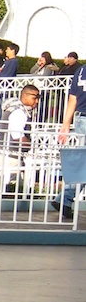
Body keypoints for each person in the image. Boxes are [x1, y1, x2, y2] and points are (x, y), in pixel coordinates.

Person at [54, 59, 86, 216]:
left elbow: (72, 99)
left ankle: (64, 200)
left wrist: (66, 123)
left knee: (82, 162)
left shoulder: (80, 71)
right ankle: (64, 199)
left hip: (80, 118)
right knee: (83, 163)